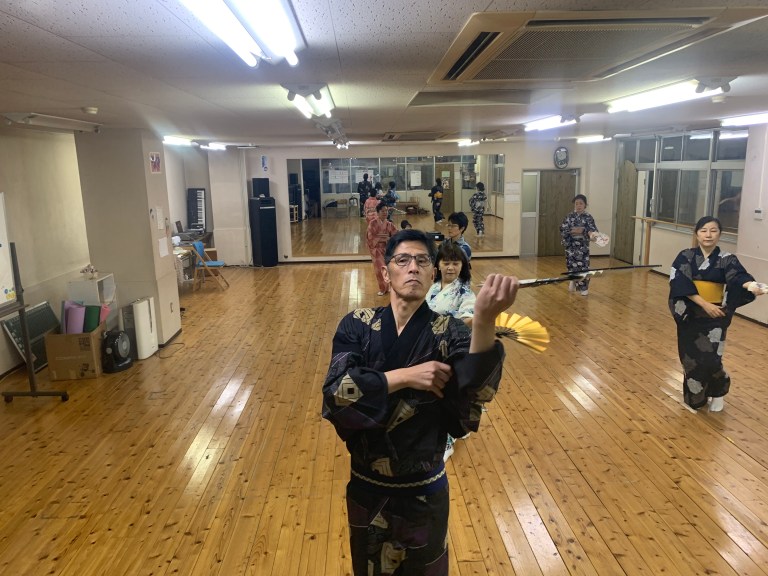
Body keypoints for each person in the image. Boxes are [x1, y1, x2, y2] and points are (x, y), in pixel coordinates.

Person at [322, 229, 519, 575]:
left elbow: (475, 390)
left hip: (424, 491)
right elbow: (338, 393)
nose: (413, 267)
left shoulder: (451, 331)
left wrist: (485, 321)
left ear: (432, 275)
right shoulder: (357, 326)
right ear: (386, 273)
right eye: (402, 260)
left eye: (422, 261)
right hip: (368, 488)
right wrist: (405, 377)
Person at [668, 216, 767, 412]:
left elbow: (738, 277)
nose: (708, 235)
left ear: (720, 234)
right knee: (690, 359)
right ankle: (695, 397)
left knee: (711, 358)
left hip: (715, 316)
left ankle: (718, 391)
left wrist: (751, 285)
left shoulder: (727, 259)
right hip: (690, 314)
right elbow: (679, 282)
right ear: (696, 234)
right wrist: (704, 304)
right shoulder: (685, 256)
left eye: (713, 231)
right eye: (704, 230)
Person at [426, 241, 477, 462]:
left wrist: (446, 329)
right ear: (438, 264)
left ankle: (446, 440)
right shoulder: (434, 287)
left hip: (453, 349)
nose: (450, 267)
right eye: (446, 262)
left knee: (445, 394)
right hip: (429, 345)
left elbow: (468, 319)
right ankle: (459, 427)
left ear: (462, 265)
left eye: (455, 263)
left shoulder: (465, 292)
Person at [559, 194, 599, 296]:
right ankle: (573, 280)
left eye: (581, 203)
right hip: (571, 246)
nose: (578, 206)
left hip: (583, 247)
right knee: (571, 265)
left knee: (583, 267)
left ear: (585, 205)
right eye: (576, 204)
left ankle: (584, 288)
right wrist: (573, 231)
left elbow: (593, 231)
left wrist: (584, 231)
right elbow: (563, 228)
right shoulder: (569, 216)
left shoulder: (588, 217)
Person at [366, 202, 397, 296]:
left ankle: (390, 287)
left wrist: (388, 239)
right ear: (378, 212)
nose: (385, 213)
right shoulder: (373, 223)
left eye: (386, 211)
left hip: (387, 249)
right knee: (380, 269)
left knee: (390, 269)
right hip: (377, 249)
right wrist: (383, 238)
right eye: (383, 211)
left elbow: (395, 235)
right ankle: (383, 288)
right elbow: (370, 237)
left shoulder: (389, 224)